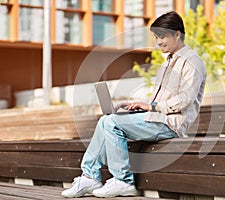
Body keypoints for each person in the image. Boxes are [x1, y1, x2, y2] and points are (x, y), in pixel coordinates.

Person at [61, 11, 206, 198]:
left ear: (177, 34)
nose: (158, 42)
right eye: (156, 37)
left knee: (112, 123)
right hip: (157, 117)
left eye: (162, 37)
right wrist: (137, 104)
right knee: (107, 120)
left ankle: (123, 181)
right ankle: (89, 176)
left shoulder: (192, 61)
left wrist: (152, 107)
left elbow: (185, 99)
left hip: (171, 124)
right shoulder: (169, 62)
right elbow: (159, 100)